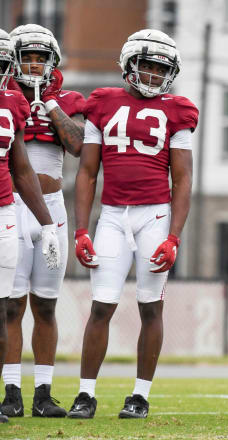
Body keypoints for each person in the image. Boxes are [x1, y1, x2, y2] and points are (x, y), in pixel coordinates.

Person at [67, 29, 197, 419]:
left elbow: (184, 179)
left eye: (162, 68)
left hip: (154, 215)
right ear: (128, 64)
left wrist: (174, 236)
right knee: (101, 306)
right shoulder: (103, 103)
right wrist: (81, 229)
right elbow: (87, 172)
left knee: (150, 307)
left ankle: (139, 395)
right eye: (148, 65)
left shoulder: (179, 110)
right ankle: (85, 394)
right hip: (112, 216)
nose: (155, 74)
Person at [0, 24, 85, 419]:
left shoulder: (66, 99)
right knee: (11, 306)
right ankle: (12, 391)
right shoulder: (5, 98)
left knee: (47, 306)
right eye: (27, 56)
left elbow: (79, 145)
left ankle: (44, 393)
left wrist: (49, 104)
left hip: (52, 205)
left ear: (52, 62)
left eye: (40, 57)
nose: (34, 64)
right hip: (13, 205)